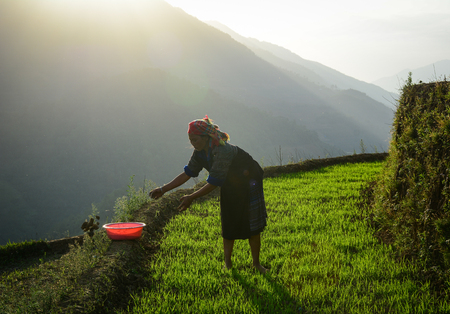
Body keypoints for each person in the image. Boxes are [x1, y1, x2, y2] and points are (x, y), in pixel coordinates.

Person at [149, 115, 268, 273]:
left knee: (252, 224)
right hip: (230, 183)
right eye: (190, 140)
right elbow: (188, 173)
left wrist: (191, 197)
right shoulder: (200, 152)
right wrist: (163, 189)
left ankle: (256, 264)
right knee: (229, 222)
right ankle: (228, 264)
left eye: (195, 140)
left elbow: (214, 182)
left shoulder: (221, 150)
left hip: (249, 180)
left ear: (206, 138)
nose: (193, 143)